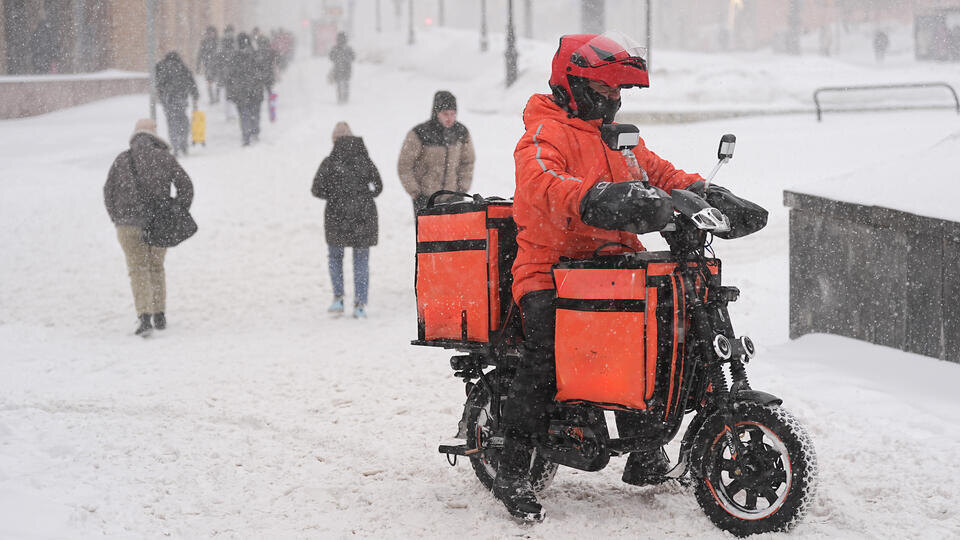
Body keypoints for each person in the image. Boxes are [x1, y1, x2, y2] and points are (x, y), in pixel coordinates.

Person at [495, 32, 707, 522]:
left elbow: (659, 172)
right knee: (548, 351)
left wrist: (703, 190)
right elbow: (545, 183)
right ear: (572, 86)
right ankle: (513, 466)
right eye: (604, 89)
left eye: (618, 90)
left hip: (609, 268)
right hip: (549, 270)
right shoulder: (542, 135)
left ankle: (644, 450)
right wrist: (595, 196)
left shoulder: (615, 139)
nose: (613, 98)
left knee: (659, 340)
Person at [103, 119, 194, 336]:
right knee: (156, 267)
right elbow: (186, 186)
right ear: (155, 135)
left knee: (137, 269)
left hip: (127, 225)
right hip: (159, 223)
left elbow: (108, 192)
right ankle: (159, 314)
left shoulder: (122, 159)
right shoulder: (165, 158)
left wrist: (117, 217)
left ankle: (144, 317)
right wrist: (176, 210)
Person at [311, 122, 383, 318]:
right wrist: (364, 195)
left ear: (334, 140)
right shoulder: (365, 160)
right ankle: (360, 304)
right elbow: (379, 186)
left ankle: (338, 298)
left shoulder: (329, 162)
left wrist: (335, 195)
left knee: (335, 257)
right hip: (364, 215)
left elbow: (316, 189)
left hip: (337, 215)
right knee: (361, 260)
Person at [397, 90, 475, 215]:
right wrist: (415, 192)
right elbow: (404, 164)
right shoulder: (420, 133)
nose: (450, 118)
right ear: (436, 113)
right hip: (425, 198)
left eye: (453, 114)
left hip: (453, 198)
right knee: (429, 229)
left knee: (455, 228)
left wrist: (462, 188)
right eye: (445, 114)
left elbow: (468, 161)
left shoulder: (461, 132)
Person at [225, 33, 267, 146]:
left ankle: (246, 135)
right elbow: (263, 71)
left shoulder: (234, 57)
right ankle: (255, 131)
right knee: (255, 112)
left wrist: (230, 92)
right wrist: (262, 83)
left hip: (241, 91)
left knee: (244, 114)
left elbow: (229, 77)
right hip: (255, 89)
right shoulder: (255, 55)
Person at [155, 52, 199, 157]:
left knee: (171, 123)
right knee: (183, 121)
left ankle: (175, 145)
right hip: (181, 98)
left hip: (168, 100)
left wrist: (161, 94)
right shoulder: (182, 67)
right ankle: (183, 144)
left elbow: (158, 83)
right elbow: (191, 82)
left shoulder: (161, 67)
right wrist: (195, 95)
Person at [328, 31, 355, 104]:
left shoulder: (335, 48)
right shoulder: (348, 48)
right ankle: (345, 98)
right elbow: (353, 57)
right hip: (346, 69)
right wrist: (346, 59)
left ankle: (340, 98)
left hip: (338, 68)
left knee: (339, 84)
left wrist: (337, 59)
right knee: (345, 84)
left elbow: (331, 57)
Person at [196, 26, 220, 104]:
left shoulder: (218, 42)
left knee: (217, 82)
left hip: (217, 65)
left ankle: (217, 96)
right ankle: (212, 98)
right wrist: (198, 66)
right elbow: (199, 55)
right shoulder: (204, 42)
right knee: (209, 82)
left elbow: (221, 53)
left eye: (212, 32)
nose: (210, 34)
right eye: (209, 33)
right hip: (208, 65)